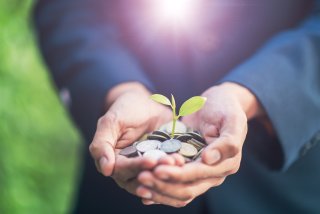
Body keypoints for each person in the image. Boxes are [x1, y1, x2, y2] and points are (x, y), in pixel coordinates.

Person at [34, 0, 320, 213]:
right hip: (123, 195)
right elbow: (68, 8)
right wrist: (121, 87)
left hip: (279, 193)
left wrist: (251, 93)